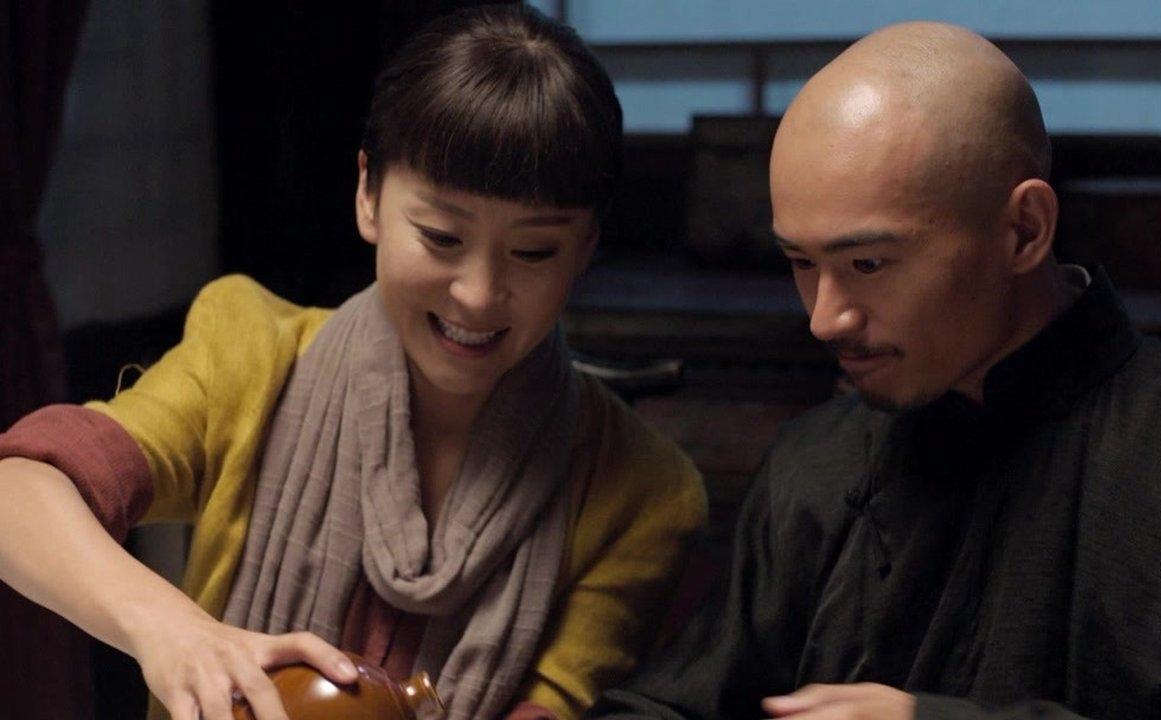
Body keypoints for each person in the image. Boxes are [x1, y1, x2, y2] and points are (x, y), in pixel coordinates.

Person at [0, 6, 705, 720]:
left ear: (586, 248)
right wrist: (171, 628)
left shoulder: (643, 491)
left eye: (533, 251)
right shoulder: (251, 354)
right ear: (368, 194)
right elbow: (18, 489)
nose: (478, 294)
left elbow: (553, 705)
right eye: (441, 237)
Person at [587, 21, 1161, 720]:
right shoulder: (816, 461)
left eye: (868, 264)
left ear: (1024, 231)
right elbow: (676, 705)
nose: (825, 319)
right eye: (801, 262)